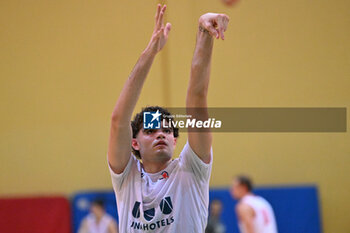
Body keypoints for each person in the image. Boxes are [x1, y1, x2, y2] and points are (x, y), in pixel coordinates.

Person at [107, 4, 229, 232]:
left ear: (175, 140)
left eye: (166, 130)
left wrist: (204, 32)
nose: (160, 133)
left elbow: (197, 97)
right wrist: (150, 52)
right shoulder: (126, 177)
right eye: (150, 131)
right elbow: (118, 120)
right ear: (134, 142)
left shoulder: (192, 168)